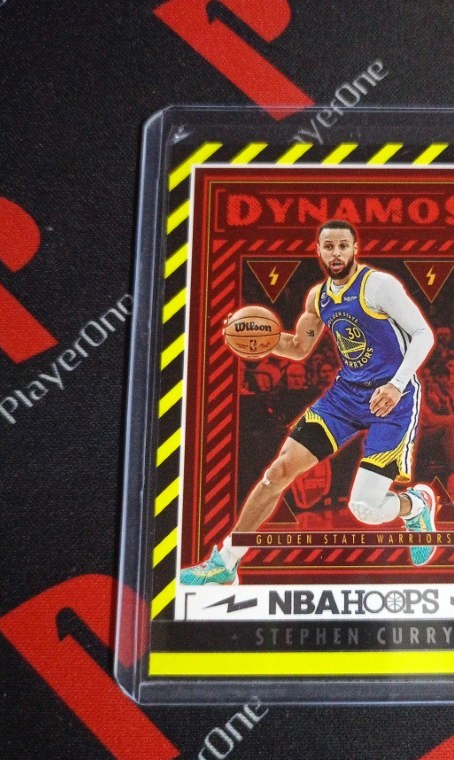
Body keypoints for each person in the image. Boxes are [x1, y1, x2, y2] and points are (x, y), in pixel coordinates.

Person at [181, 219, 437, 585]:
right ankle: (226, 562)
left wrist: (396, 385)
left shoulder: (378, 285)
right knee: (278, 473)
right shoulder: (318, 298)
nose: (336, 253)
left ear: (355, 249)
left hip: (392, 399)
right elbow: (299, 347)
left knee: (364, 509)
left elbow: (423, 334)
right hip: (346, 397)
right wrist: (253, 337)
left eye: (343, 246)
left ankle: (416, 505)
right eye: (329, 246)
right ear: (318, 251)